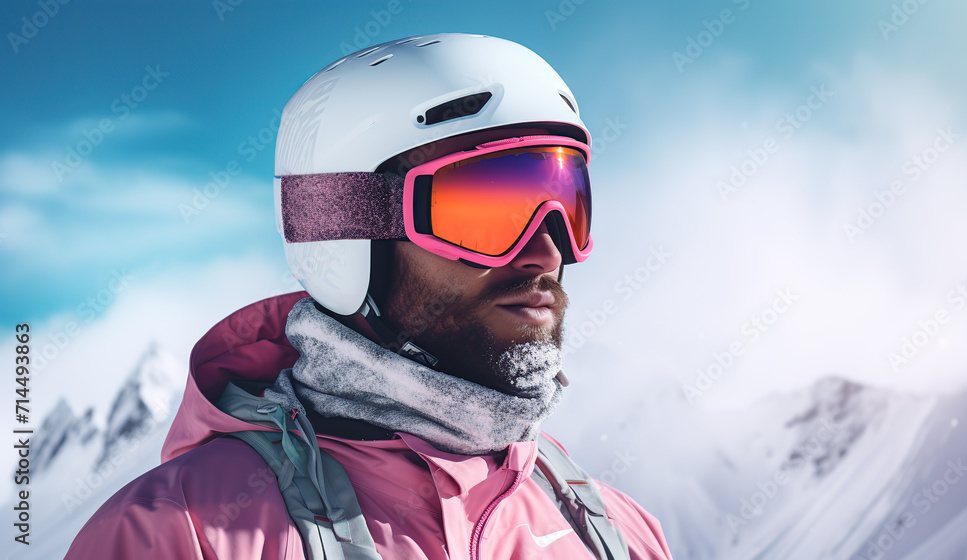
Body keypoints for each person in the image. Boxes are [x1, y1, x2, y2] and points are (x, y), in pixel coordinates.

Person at [65, 33, 672, 559]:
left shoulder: (622, 535)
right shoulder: (178, 534)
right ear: (349, 237)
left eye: (566, 204)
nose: (546, 251)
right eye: (489, 210)